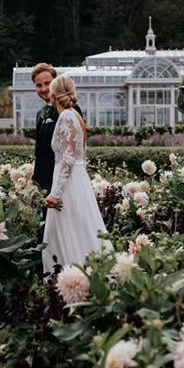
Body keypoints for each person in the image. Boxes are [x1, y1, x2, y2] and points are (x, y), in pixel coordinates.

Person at [41, 75, 112, 273]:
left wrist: (55, 193)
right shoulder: (76, 116)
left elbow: (68, 158)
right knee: (79, 229)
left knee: (69, 231)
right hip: (77, 178)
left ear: (53, 95)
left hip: (69, 182)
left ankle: (71, 274)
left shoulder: (65, 117)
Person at [31, 63, 83, 244]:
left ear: (56, 83)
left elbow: (73, 151)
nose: (44, 89)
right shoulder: (40, 113)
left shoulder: (70, 111)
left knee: (63, 233)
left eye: (47, 83)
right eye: (39, 85)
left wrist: (59, 187)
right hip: (43, 179)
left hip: (60, 181)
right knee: (44, 231)